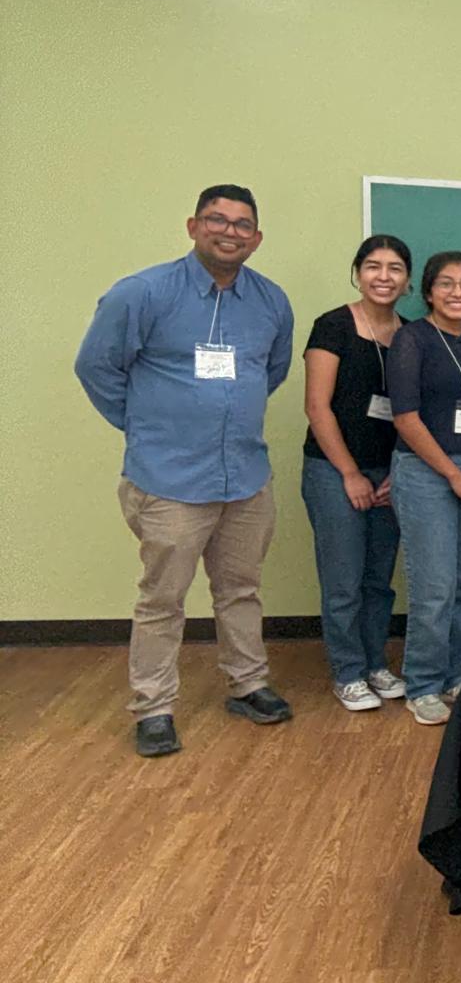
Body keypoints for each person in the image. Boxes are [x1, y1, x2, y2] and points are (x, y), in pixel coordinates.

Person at [74, 185, 295, 757]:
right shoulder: (143, 293)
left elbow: (270, 372)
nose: (229, 232)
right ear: (193, 226)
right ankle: (153, 707)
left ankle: (247, 684)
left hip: (245, 476)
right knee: (162, 599)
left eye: (242, 224)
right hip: (169, 479)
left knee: (241, 590)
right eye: (217, 220)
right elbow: (96, 366)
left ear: (257, 238)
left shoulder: (271, 301)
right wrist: (145, 427)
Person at [387, 251, 461, 726]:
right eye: (447, 284)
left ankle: (459, 675)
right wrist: (452, 475)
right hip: (425, 472)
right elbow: (405, 417)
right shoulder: (411, 339)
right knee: (434, 588)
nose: (458, 292)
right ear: (428, 291)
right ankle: (423, 684)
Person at [301, 235, 412, 711]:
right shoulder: (333, 326)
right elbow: (317, 406)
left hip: (391, 472)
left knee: (378, 579)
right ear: (358, 273)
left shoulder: (411, 335)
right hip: (333, 470)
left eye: (394, 268)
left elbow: (416, 413)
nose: (383, 276)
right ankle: (347, 672)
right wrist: (350, 473)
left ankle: (375, 663)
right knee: (343, 578)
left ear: (408, 280)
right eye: (373, 266)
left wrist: (397, 472)